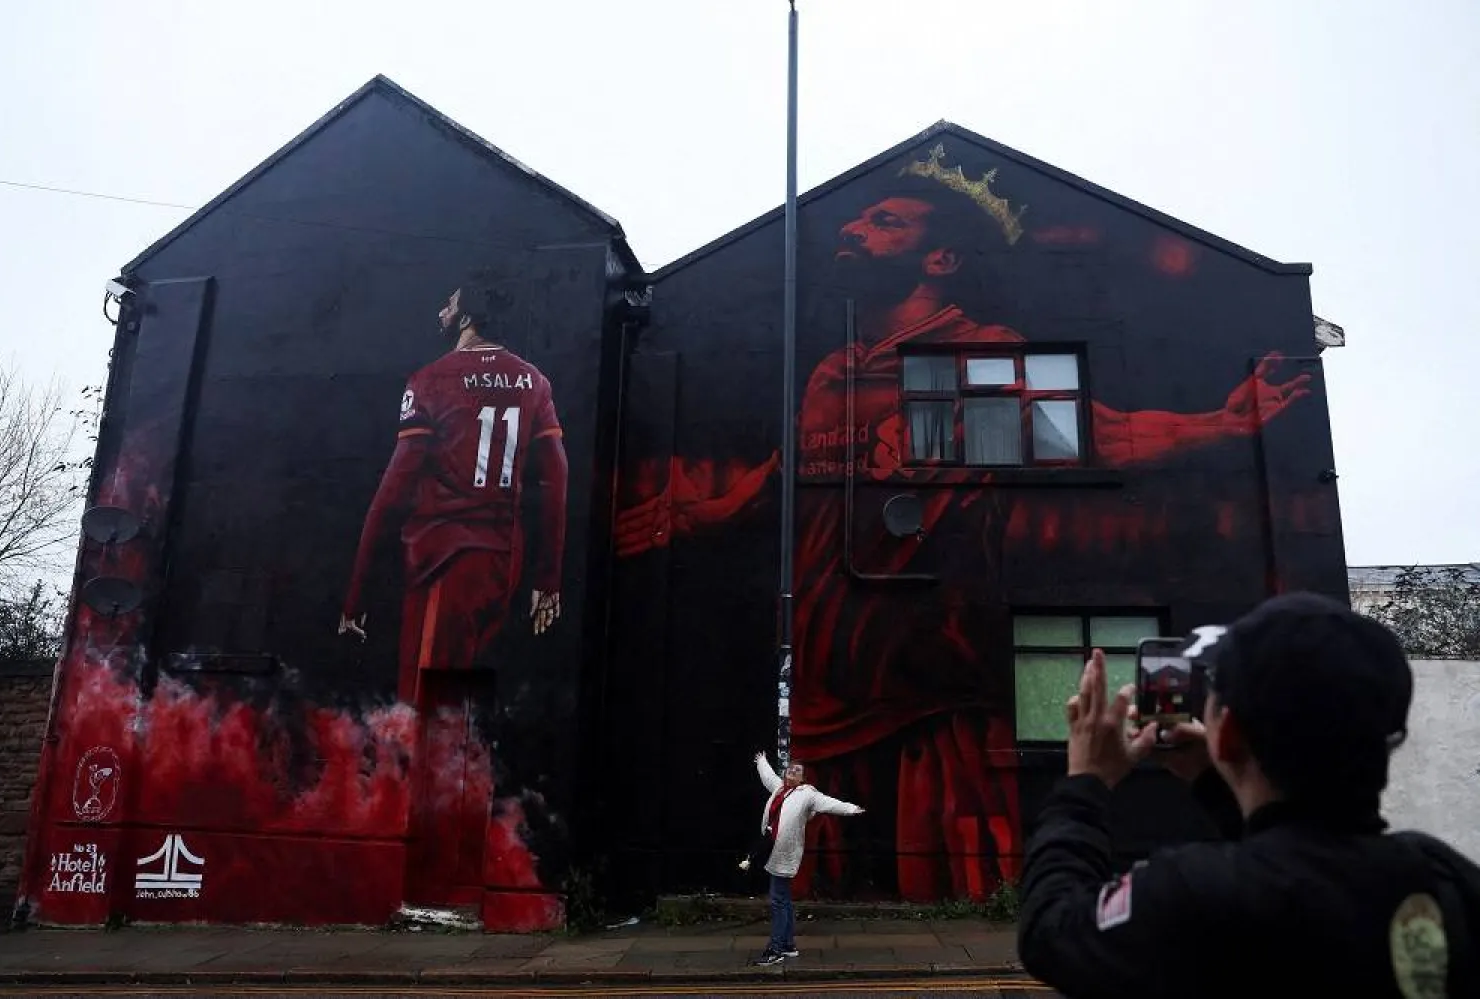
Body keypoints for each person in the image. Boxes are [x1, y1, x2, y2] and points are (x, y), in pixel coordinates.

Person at [615, 142, 1311, 901]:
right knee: (812, 887)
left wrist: (1223, 419)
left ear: (939, 258)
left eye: (885, 221)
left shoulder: (981, 356)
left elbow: (1100, 429)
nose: (855, 229)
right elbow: (775, 482)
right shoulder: (831, 373)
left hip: (933, 698)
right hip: (824, 703)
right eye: (859, 220)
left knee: (951, 881)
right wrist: (687, 513)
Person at [1018, 592, 1479, 999]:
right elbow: (1300, 859)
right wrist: (1217, 777)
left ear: (1228, 733)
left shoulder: (1191, 892)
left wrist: (1084, 782)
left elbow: (1051, 931)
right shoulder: (1447, 881)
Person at [340, 273, 568, 703]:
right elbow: (556, 479)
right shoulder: (534, 382)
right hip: (502, 567)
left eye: (449, 304)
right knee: (462, 702)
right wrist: (548, 578)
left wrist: (358, 589)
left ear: (466, 316)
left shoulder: (431, 380)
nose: (442, 312)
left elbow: (392, 492)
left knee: (426, 704)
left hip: (446, 562)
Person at [749, 752, 864, 966]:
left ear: (803, 778)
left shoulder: (807, 794)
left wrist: (852, 809)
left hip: (785, 853)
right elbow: (768, 776)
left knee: (778, 901)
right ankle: (788, 945)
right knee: (783, 900)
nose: (792, 772)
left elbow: (828, 803)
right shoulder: (779, 788)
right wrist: (761, 761)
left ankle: (776, 949)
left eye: (797, 771)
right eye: (790, 769)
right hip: (773, 850)